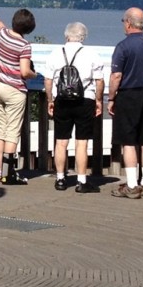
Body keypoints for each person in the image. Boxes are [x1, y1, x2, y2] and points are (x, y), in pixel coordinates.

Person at [106, 7, 143, 199]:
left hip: (128, 95)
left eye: (124, 21)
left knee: (128, 142)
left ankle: (132, 185)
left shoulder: (123, 47)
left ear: (128, 23)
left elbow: (116, 76)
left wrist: (111, 97)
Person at [45, 21, 107, 194]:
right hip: (85, 100)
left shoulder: (56, 53)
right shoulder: (92, 54)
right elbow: (99, 80)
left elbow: (48, 81)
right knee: (81, 143)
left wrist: (50, 100)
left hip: (62, 101)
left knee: (61, 142)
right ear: (83, 37)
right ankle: (81, 181)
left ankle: (60, 179)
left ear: (66, 36)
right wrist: (99, 100)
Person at [0, 9, 36, 185]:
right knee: (12, 132)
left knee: (0, 129)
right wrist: (34, 74)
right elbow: (24, 71)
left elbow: (0, 27)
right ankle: (8, 174)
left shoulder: (3, 35)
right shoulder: (24, 45)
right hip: (14, 90)